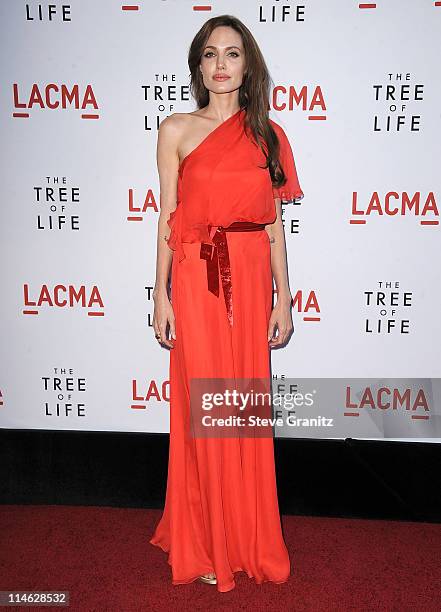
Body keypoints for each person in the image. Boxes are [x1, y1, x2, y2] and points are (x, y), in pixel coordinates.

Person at [149, 14, 304, 593]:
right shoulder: (176, 130)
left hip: (251, 266)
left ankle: (245, 538)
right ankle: (208, 539)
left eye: (232, 53)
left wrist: (283, 297)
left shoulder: (268, 134)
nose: (220, 64)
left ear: (247, 65)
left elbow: (273, 225)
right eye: (210, 53)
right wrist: (160, 293)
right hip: (196, 275)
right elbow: (167, 217)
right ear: (197, 65)